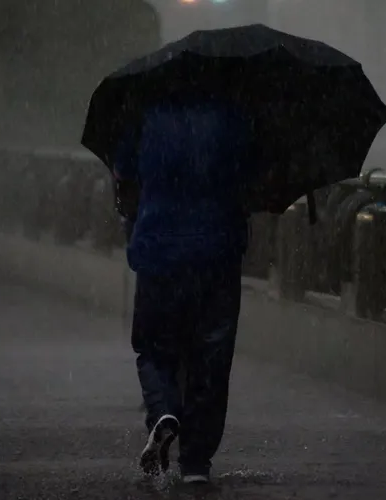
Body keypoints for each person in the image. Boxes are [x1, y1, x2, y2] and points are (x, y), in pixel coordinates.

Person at [111, 95, 255, 485]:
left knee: (154, 349)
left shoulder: (143, 114)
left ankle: (163, 412)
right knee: (212, 356)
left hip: (159, 252)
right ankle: (195, 462)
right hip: (217, 254)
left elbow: (124, 180)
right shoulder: (232, 116)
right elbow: (252, 182)